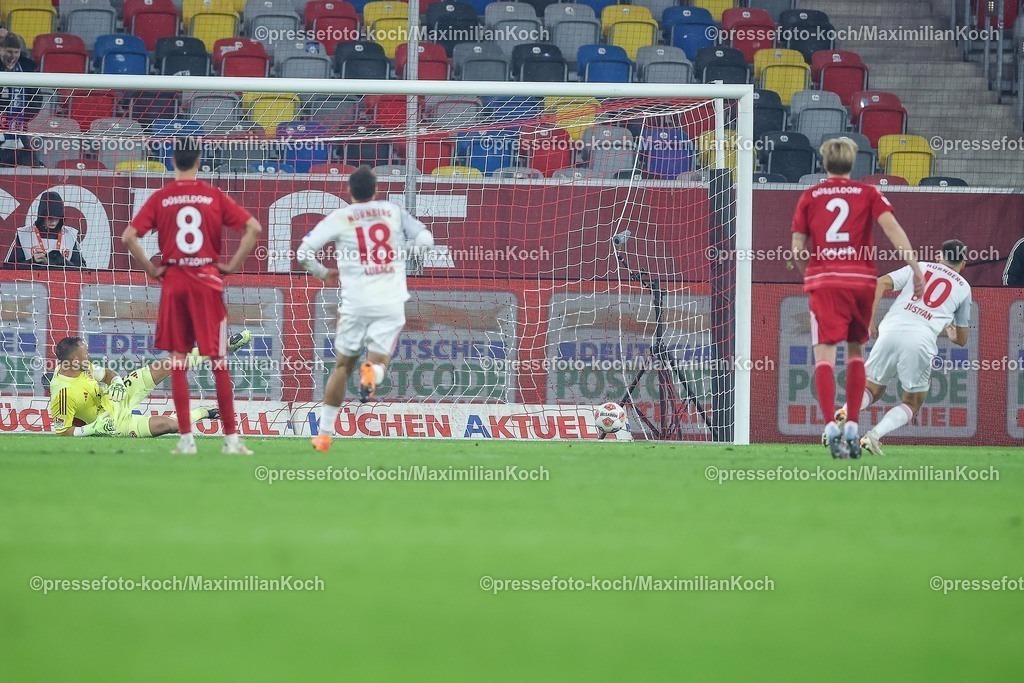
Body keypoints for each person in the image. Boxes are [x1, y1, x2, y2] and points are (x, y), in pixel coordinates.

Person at [122, 138, 262, 455]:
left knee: (177, 362)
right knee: (219, 363)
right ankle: (231, 440)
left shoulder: (161, 197)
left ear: (172, 161)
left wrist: (152, 269)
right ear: (199, 161)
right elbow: (253, 228)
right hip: (206, 281)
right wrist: (231, 267)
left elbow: (129, 237)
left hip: (174, 283)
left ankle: (186, 440)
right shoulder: (212, 195)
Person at [790, 137, 924, 459]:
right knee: (855, 353)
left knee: (823, 356)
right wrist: (915, 268)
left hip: (825, 281)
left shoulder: (810, 196)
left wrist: (809, 274)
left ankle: (829, 425)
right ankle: (851, 424)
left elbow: (797, 249)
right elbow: (893, 229)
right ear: (854, 163)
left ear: (824, 163)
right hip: (861, 281)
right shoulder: (869, 193)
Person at [297, 165, 434, 453]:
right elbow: (425, 240)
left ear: (349, 191)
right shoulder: (392, 211)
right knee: (379, 360)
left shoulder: (340, 217)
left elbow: (303, 253)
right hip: (390, 300)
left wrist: (322, 273)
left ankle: (323, 437)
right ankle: (372, 373)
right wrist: (407, 255)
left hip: (355, 303)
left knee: (343, 367)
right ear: (376, 190)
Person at [827, 240, 972, 455]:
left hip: (891, 329)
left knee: (871, 388)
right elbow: (961, 338)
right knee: (912, 402)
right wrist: (949, 329)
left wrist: (869, 321)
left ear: (939, 257)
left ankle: (846, 410)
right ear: (964, 263)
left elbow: (880, 283)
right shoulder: (964, 288)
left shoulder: (920, 266)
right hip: (920, 339)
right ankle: (873, 437)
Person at [48, 333, 252, 438]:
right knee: (170, 425)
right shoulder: (63, 394)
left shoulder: (80, 365)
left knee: (168, 364)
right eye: (86, 355)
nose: (89, 357)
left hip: (115, 396)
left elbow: (108, 374)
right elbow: (62, 431)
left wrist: (117, 382)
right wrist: (92, 429)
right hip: (113, 423)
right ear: (74, 361)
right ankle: (204, 412)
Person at [5, 191, 86, 267]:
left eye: (57, 218)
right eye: (50, 218)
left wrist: (63, 262)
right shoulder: (24, 235)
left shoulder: (70, 235)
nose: (53, 222)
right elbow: (8, 267)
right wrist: (32, 262)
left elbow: (83, 268)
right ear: (42, 216)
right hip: (33, 281)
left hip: (62, 281)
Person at [0, 32, 40, 166]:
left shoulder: (26, 69)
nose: (12, 57)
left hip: (19, 134)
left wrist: (21, 119)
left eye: (16, 52)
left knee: (33, 165)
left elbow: (36, 100)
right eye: (9, 51)